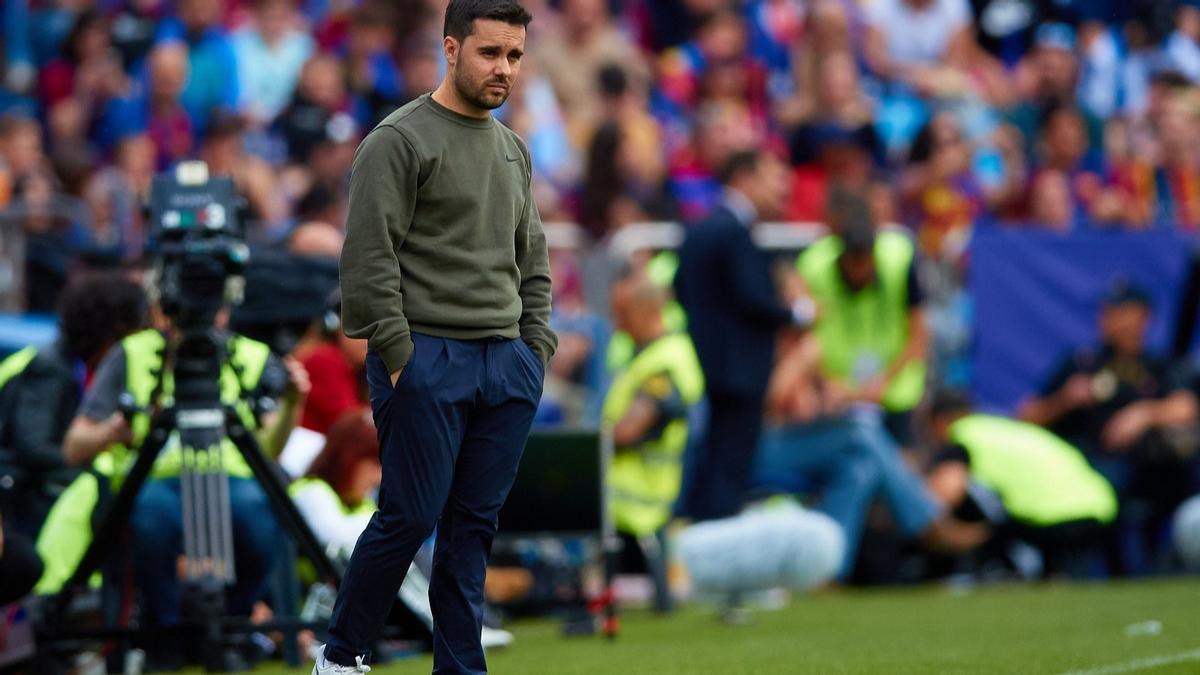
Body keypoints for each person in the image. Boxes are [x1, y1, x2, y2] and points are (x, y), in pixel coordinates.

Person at [324, 0, 556, 672]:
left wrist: (533, 353)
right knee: (408, 518)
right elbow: (367, 263)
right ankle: (340, 658)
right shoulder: (397, 140)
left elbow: (533, 261)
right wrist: (402, 357)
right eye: (490, 52)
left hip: (504, 361)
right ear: (450, 49)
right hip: (426, 355)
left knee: (471, 531)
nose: (504, 69)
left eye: (514, 55)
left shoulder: (512, 149)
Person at [60, 283, 309, 667]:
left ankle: (233, 626)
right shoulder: (132, 353)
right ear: (161, 310)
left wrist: (292, 404)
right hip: (155, 481)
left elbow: (269, 450)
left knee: (260, 515)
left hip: (235, 479)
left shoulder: (251, 355)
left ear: (226, 310)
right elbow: (74, 445)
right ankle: (168, 632)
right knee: (151, 518)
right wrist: (111, 431)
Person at [1018, 280, 1198, 572]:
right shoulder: (1082, 362)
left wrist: (1143, 413)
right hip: (1085, 462)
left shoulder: (1159, 364)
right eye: (1105, 310)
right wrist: (1064, 400)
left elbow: (1187, 407)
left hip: (1145, 466)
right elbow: (1025, 418)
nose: (1107, 317)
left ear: (1142, 316)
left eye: (1118, 310)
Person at [674, 148, 812, 522]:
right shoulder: (735, 232)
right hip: (740, 372)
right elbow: (754, 299)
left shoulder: (700, 228)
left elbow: (681, 288)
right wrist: (799, 313)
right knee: (730, 465)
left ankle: (700, 543)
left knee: (711, 460)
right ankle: (717, 551)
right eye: (772, 177)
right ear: (744, 178)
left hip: (707, 365)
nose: (781, 188)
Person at [0, 272, 147, 538]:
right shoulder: (52, 368)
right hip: (23, 494)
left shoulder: (79, 364)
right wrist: (90, 463)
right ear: (117, 329)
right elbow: (33, 448)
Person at [928, 391, 1117, 577]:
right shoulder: (1004, 427)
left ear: (940, 421)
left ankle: (998, 570)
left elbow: (945, 494)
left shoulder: (962, 435)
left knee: (979, 507)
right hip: (1102, 507)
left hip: (1052, 520)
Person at [603, 273, 703, 611]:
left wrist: (597, 439)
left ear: (647, 312)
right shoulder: (646, 354)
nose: (617, 324)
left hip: (636, 491)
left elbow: (629, 430)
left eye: (623, 313)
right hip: (627, 487)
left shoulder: (666, 360)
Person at [797, 189, 928, 446]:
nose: (860, 273)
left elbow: (919, 333)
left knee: (899, 461)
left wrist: (882, 382)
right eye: (853, 263)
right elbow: (799, 338)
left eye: (866, 262)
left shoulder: (899, 258)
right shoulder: (812, 266)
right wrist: (824, 383)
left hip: (893, 389)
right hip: (833, 395)